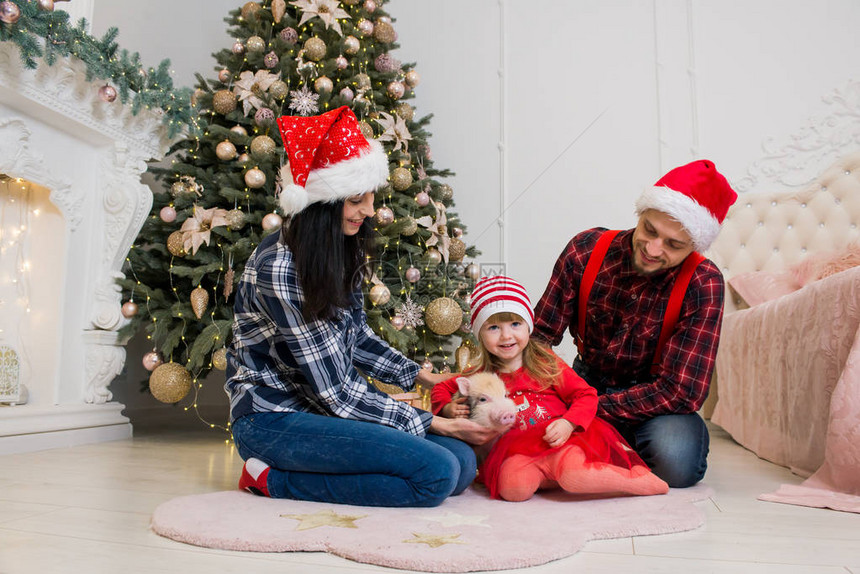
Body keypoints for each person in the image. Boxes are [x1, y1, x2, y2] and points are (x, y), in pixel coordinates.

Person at [225, 106, 496, 508]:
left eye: (370, 198)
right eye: (356, 200)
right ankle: (270, 479)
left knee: (460, 464)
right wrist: (434, 422)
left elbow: (358, 338)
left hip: (320, 406)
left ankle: (337, 466)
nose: (369, 211)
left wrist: (428, 380)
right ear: (322, 206)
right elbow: (338, 391)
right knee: (437, 475)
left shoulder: (335, 248)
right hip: (273, 418)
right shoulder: (281, 268)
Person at [532, 159, 738, 488]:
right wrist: (547, 398)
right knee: (530, 432)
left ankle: (598, 447)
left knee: (676, 461)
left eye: (673, 245)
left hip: (658, 405)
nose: (653, 250)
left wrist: (585, 413)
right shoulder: (586, 250)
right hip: (584, 385)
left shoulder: (704, 282)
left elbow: (682, 392)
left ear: (695, 246)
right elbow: (540, 338)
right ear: (641, 214)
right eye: (650, 231)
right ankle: (607, 451)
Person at [432, 275, 669, 502]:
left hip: (561, 441)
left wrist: (568, 423)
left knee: (572, 474)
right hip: (518, 451)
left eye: (515, 324)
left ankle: (633, 480)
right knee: (512, 489)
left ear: (528, 326)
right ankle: (549, 476)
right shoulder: (481, 375)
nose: (506, 335)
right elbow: (442, 388)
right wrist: (448, 408)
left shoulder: (546, 363)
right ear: (480, 335)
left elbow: (585, 395)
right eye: (493, 327)